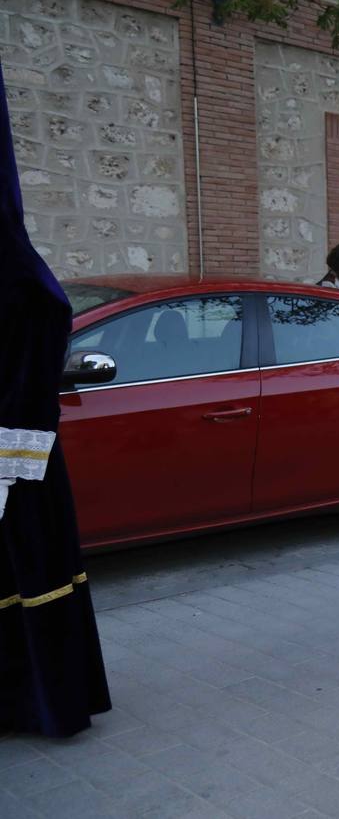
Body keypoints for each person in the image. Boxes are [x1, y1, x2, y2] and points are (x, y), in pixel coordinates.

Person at [0, 64, 112, 737]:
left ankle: (48, 701)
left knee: (30, 565)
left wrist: (12, 449)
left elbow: (45, 325)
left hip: (16, 456)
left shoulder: (22, 282)